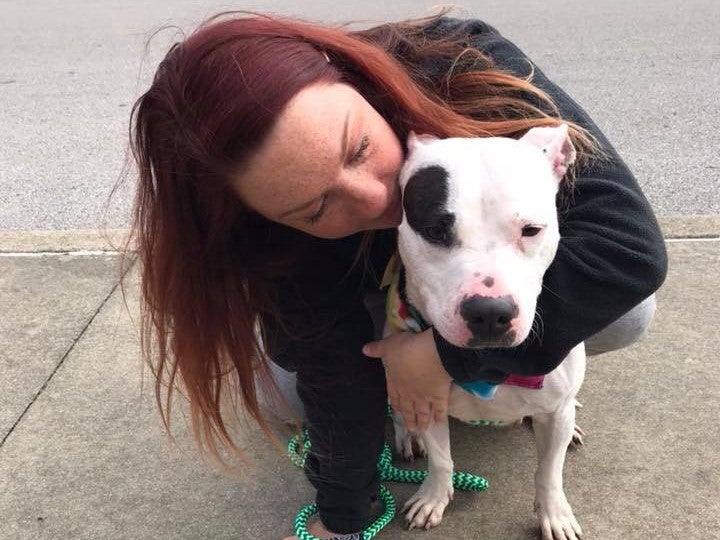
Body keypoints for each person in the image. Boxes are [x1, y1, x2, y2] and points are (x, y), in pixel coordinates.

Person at [125, 9, 667, 540]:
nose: (380, 196)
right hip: (372, 306)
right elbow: (329, 361)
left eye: (359, 148)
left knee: (624, 307)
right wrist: (344, 512)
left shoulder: (465, 63)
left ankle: (500, 372)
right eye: (316, 209)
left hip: (453, 305)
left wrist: (437, 358)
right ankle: (424, 398)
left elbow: (631, 247)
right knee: (288, 398)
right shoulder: (272, 229)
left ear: (352, 79)